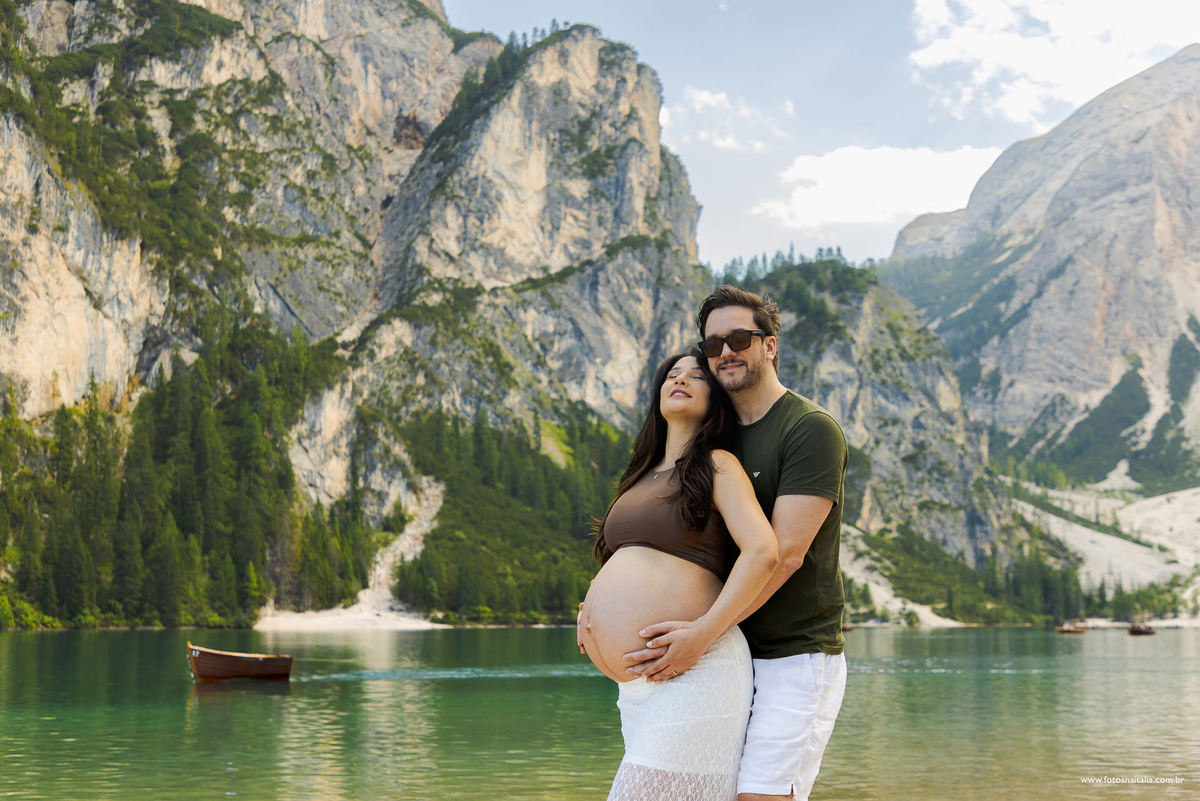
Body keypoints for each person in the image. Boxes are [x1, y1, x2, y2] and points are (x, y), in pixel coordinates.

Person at [623, 285, 849, 801]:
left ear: (769, 345)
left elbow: (786, 554)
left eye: (740, 338)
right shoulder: (715, 437)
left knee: (761, 797)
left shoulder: (809, 429)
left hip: (792, 654)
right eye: (712, 343)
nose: (725, 351)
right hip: (725, 657)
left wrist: (703, 633)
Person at [577, 349, 779, 801]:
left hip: (698, 667)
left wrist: (704, 634)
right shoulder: (640, 475)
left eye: (697, 376)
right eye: (672, 374)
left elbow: (763, 550)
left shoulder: (717, 464)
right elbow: (629, 562)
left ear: (717, 399)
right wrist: (591, 609)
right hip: (635, 689)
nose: (681, 379)